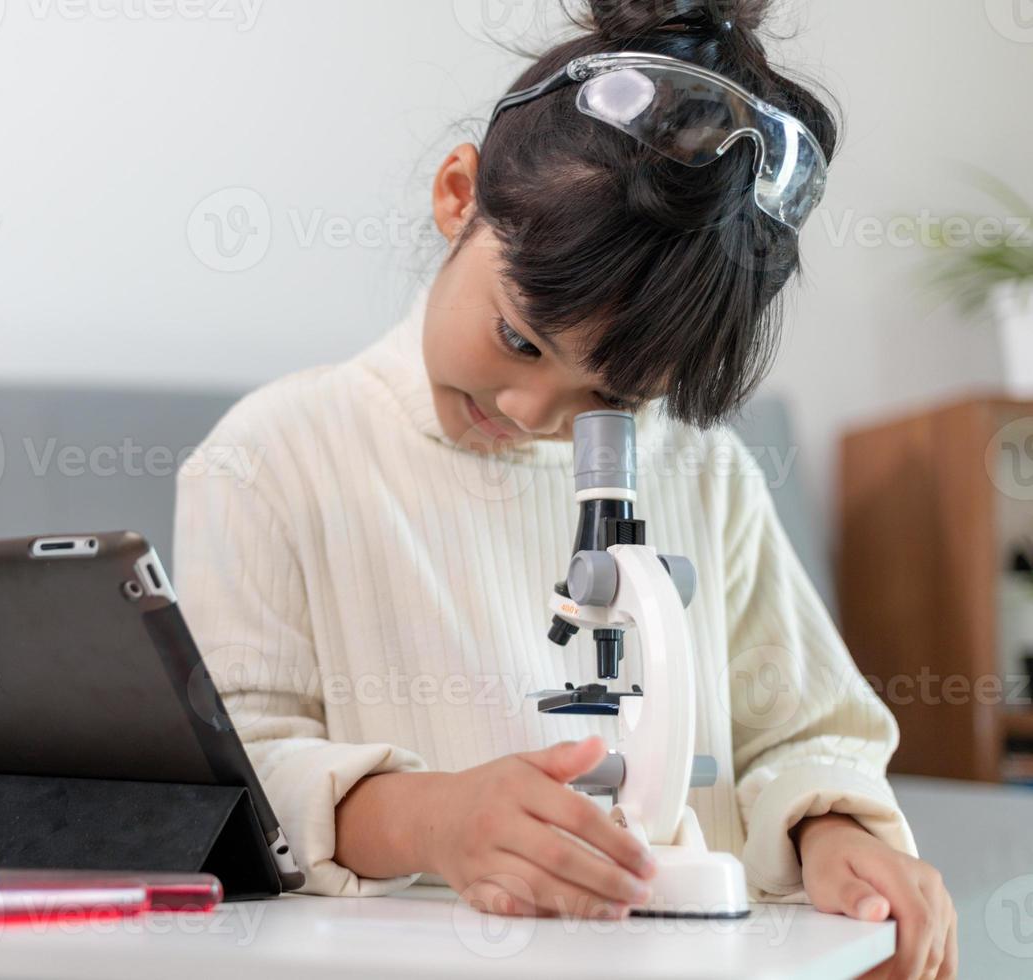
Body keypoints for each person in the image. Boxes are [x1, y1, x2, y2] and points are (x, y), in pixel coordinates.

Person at [173, 2, 955, 976]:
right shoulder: (272, 457)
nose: (533, 407)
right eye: (517, 338)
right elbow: (231, 777)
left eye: (613, 396)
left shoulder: (702, 473)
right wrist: (429, 820)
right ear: (459, 196)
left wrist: (839, 833)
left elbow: (804, 731)